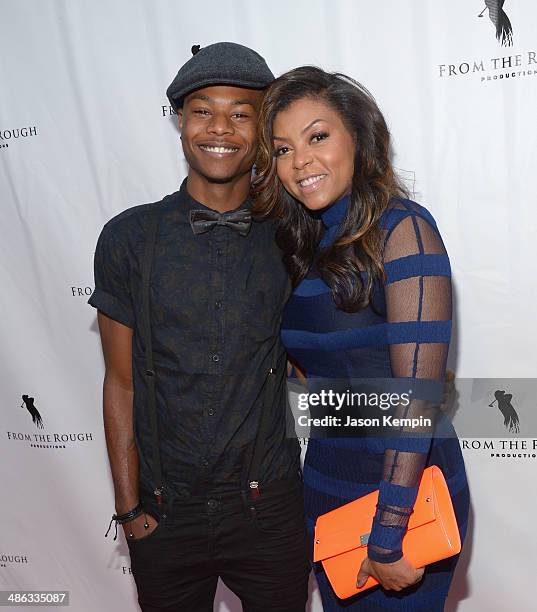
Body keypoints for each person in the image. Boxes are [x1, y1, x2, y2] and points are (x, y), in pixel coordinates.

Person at [88, 43, 309, 612]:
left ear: (263, 129)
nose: (220, 128)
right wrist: (130, 511)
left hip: (269, 510)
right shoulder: (128, 239)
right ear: (180, 121)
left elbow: (320, 362)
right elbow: (121, 382)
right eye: (202, 110)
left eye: (242, 113)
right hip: (164, 515)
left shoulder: (293, 236)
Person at [253, 66, 470, 611]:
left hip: (404, 502)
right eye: (282, 149)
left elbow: (416, 402)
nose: (300, 160)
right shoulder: (302, 246)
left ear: (360, 138)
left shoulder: (403, 231)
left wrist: (389, 531)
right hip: (328, 496)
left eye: (318, 136)